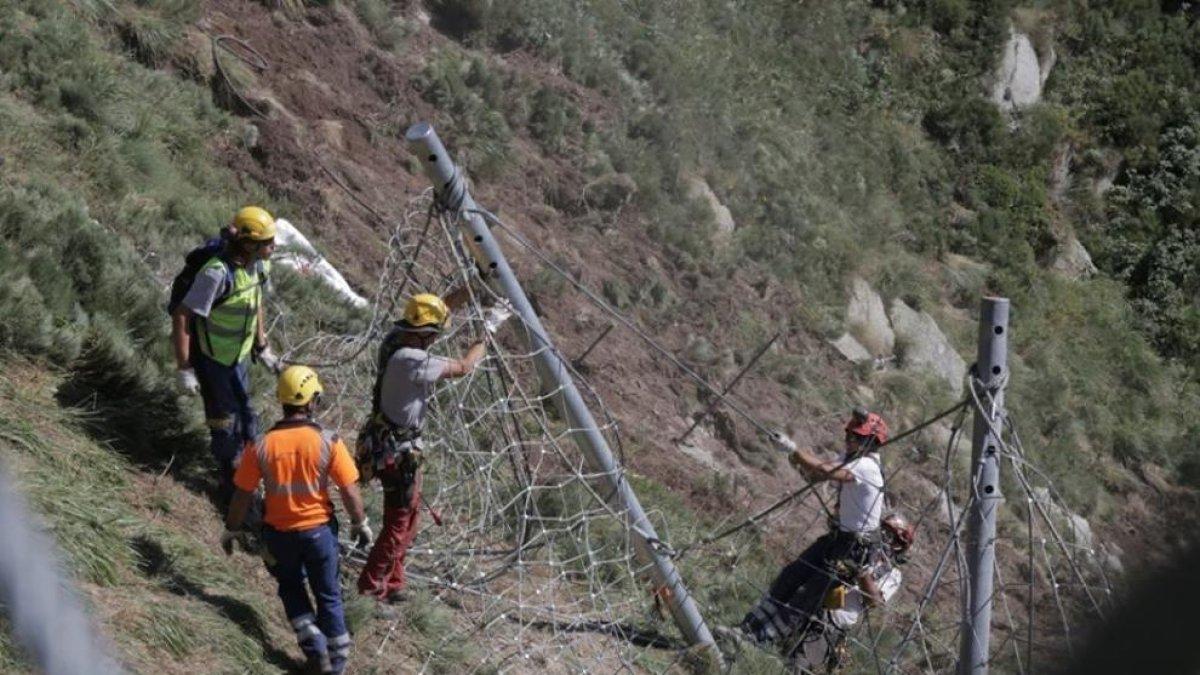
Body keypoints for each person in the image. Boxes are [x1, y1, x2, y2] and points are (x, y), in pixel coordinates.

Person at [356, 290, 506, 604]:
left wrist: (472, 286)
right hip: (400, 453)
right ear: (425, 335)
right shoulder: (413, 360)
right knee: (397, 524)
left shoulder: (395, 340)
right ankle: (371, 588)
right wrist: (487, 330)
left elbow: (440, 310)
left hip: (390, 445)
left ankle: (394, 581)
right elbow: (465, 367)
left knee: (408, 519)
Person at [224, 366, 371, 675]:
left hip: (279, 535)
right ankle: (337, 663)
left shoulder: (261, 445)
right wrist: (360, 523)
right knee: (328, 594)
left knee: (291, 588)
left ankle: (313, 647)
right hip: (319, 534)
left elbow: (242, 495)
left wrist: (232, 528)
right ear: (311, 401)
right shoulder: (328, 441)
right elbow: (349, 490)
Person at [738, 407, 890, 645]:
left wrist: (794, 449)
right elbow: (819, 472)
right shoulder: (852, 458)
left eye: (855, 437)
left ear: (871, 441)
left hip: (853, 550)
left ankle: (760, 640)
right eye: (848, 435)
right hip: (839, 538)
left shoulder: (867, 467)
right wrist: (793, 456)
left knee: (807, 595)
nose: (849, 440)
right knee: (791, 575)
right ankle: (748, 627)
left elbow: (824, 470)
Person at [172, 206, 279, 507]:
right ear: (248, 243)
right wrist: (184, 367)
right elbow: (183, 317)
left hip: (238, 357)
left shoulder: (258, 266)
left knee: (247, 418)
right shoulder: (217, 274)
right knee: (224, 424)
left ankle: (246, 478)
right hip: (212, 360)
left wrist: (262, 345)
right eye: (267, 242)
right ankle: (230, 489)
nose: (273, 246)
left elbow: (256, 302)